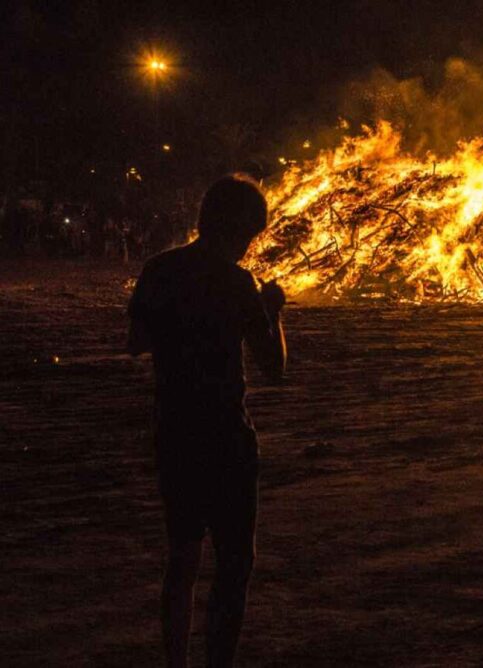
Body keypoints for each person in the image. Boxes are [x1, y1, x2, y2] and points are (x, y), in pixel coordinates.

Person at [127, 175, 286, 667]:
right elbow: (274, 368)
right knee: (234, 564)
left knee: (183, 560)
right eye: (248, 235)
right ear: (235, 227)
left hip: (174, 432)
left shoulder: (159, 271)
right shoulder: (239, 283)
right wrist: (272, 312)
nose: (248, 245)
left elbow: (136, 342)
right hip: (227, 438)